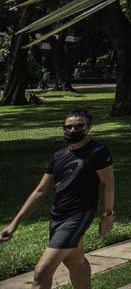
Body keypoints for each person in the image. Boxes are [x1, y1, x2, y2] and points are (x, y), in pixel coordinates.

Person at [1, 109, 115, 289]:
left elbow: (108, 184)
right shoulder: (58, 156)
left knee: (42, 271)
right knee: (74, 261)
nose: (72, 130)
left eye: (78, 126)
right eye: (68, 127)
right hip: (58, 216)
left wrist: (108, 214)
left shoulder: (98, 152)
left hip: (78, 215)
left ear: (89, 127)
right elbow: (40, 191)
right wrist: (14, 224)